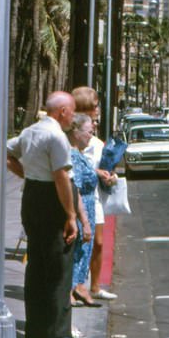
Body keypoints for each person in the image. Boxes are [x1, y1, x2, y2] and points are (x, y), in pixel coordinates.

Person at [6, 91, 90, 338]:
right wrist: (71, 216)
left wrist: (28, 174)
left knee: (37, 265)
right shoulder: (56, 137)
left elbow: (8, 154)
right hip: (52, 199)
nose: (73, 117)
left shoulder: (31, 131)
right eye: (72, 111)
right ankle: (57, 332)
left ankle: (36, 328)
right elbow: (62, 178)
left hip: (32, 196)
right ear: (62, 111)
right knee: (59, 268)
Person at [70, 86, 118, 300]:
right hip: (76, 198)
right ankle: (75, 286)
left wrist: (110, 176)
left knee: (97, 242)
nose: (98, 110)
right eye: (95, 106)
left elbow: (106, 169)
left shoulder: (97, 143)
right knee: (79, 243)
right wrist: (95, 172)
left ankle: (94, 286)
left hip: (94, 197)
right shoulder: (72, 140)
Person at [66, 113, 102, 308]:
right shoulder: (72, 154)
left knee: (84, 250)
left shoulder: (78, 153)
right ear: (76, 132)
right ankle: (69, 289)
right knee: (78, 249)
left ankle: (79, 285)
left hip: (88, 206)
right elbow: (75, 188)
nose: (91, 135)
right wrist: (83, 219)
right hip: (81, 208)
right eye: (89, 131)